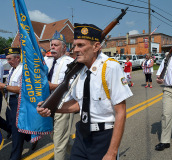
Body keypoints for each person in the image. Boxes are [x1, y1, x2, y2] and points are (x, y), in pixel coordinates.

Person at [37, 23, 133, 159]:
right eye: (74, 45)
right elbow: (78, 104)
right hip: (81, 134)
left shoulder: (110, 68)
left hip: (103, 137)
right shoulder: (79, 70)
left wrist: (111, 152)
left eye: (81, 45)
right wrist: (50, 108)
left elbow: (120, 112)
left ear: (96, 47)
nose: (75, 49)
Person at [0, 48, 29, 160]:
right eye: (7, 59)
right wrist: (4, 86)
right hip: (10, 101)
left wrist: (4, 86)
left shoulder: (24, 70)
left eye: (10, 59)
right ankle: (30, 136)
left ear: (17, 58)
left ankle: (15, 156)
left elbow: (23, 89)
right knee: (10, 125)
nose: (8, 61)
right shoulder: (12, 70)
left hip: (18, 102)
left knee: (16, 131)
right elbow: (9, 83)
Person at [46, 31, 74, 160]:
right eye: (51, 45)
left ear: (64, 48)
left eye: (56, 45)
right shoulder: (50, 62)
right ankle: (82, 154)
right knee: (60, 139)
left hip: (64, 105)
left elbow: (72, 85)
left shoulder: (70, 62)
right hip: (50, 105)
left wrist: (53, 86)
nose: (52, 47)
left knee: (59, 143)